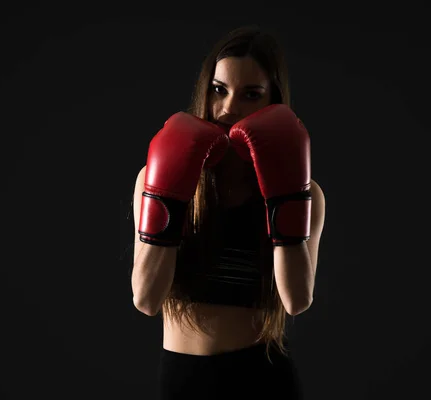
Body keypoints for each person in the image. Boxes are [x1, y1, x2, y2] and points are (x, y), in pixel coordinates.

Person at [130, 25, 325, 400]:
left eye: (251, 94)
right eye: (219, 89)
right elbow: (146, 299)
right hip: (182, 379)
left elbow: (296, 299)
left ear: (273, 101)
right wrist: (170, 196)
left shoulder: (306, 193)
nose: (230, 108)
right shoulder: (152, 178)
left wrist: (284, 195)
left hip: (260, 380)